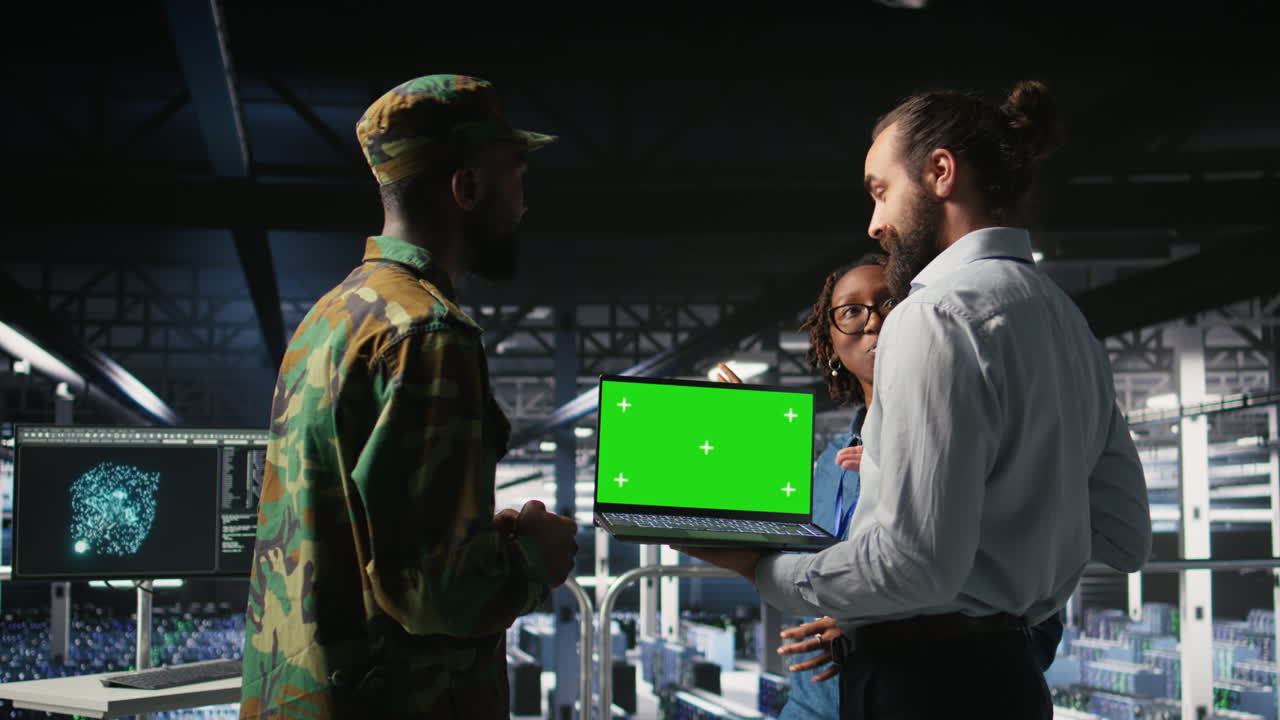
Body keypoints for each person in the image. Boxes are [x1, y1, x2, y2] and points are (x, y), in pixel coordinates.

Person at [678, 80, 1151, 720]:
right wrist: (1013, 517)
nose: (875, 222)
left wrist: (761, 571)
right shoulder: (1067, 323)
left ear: (939, 172)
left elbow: (914, 569)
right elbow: (1126, 538)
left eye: (881, 190)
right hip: (1015, 684)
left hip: (922, 684)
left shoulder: (934, 315)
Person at [239, 74, 579, 720]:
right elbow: (434, 592)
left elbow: (367, 535)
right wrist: (538, 558)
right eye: (516, 176)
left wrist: (478, 536)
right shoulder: (428, 332)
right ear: (468, 188)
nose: (525, 203)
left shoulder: (333, 316)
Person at [719, 255, 1063, 719]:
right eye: (851, 311)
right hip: (817, 705)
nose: (875, 320)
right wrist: (751, 447)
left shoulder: (976, 444)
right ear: (830, 345)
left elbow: (1028, 607)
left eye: (891, 303)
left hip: (924, 692)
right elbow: (773, 557)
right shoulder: (828, 466)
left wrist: (874, 629)